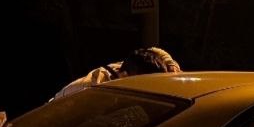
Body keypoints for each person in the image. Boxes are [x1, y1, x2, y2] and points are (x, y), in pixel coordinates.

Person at [53, 47, 181, 100]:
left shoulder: (130, 66)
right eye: (143, 85)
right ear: (124, 75)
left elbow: (154, 50)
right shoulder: (93, 89)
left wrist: (171, 66)